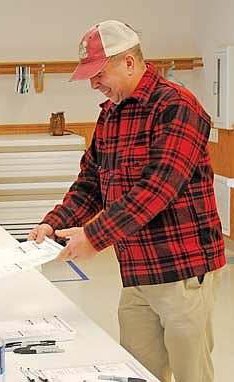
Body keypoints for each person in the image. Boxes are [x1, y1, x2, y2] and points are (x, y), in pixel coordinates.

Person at [28, 20, 226, 382]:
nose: (93, 84)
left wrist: (93, 236)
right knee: (138, 372)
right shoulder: (110, 115)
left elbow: (157, 190)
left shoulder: (177, 107)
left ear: (129, 63)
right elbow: (90, 183)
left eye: (99, 73)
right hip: (136, 272)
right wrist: (54, 223)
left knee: (191, 374)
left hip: (182, 273)